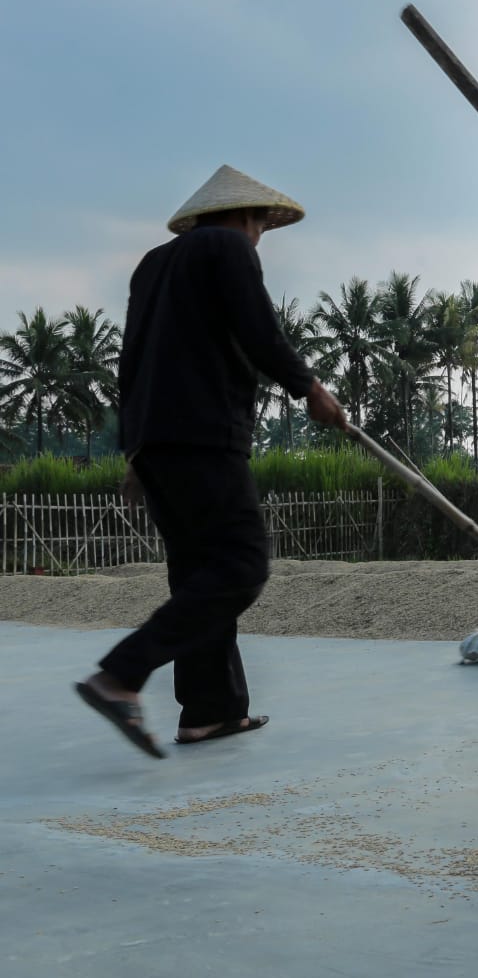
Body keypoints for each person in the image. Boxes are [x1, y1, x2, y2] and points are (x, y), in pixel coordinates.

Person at [75, 165, 347, 759]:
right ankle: (122, 674)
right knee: (242, 566)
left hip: (155, 439)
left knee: (199, 574)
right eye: (262, 228)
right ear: (247, 217)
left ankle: (210, 712)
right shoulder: (227, 246)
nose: (260, 239)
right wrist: (310, 388)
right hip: (204, 433)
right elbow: (259, 331)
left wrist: (133, 452)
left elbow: (132, 361)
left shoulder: (153, 264)